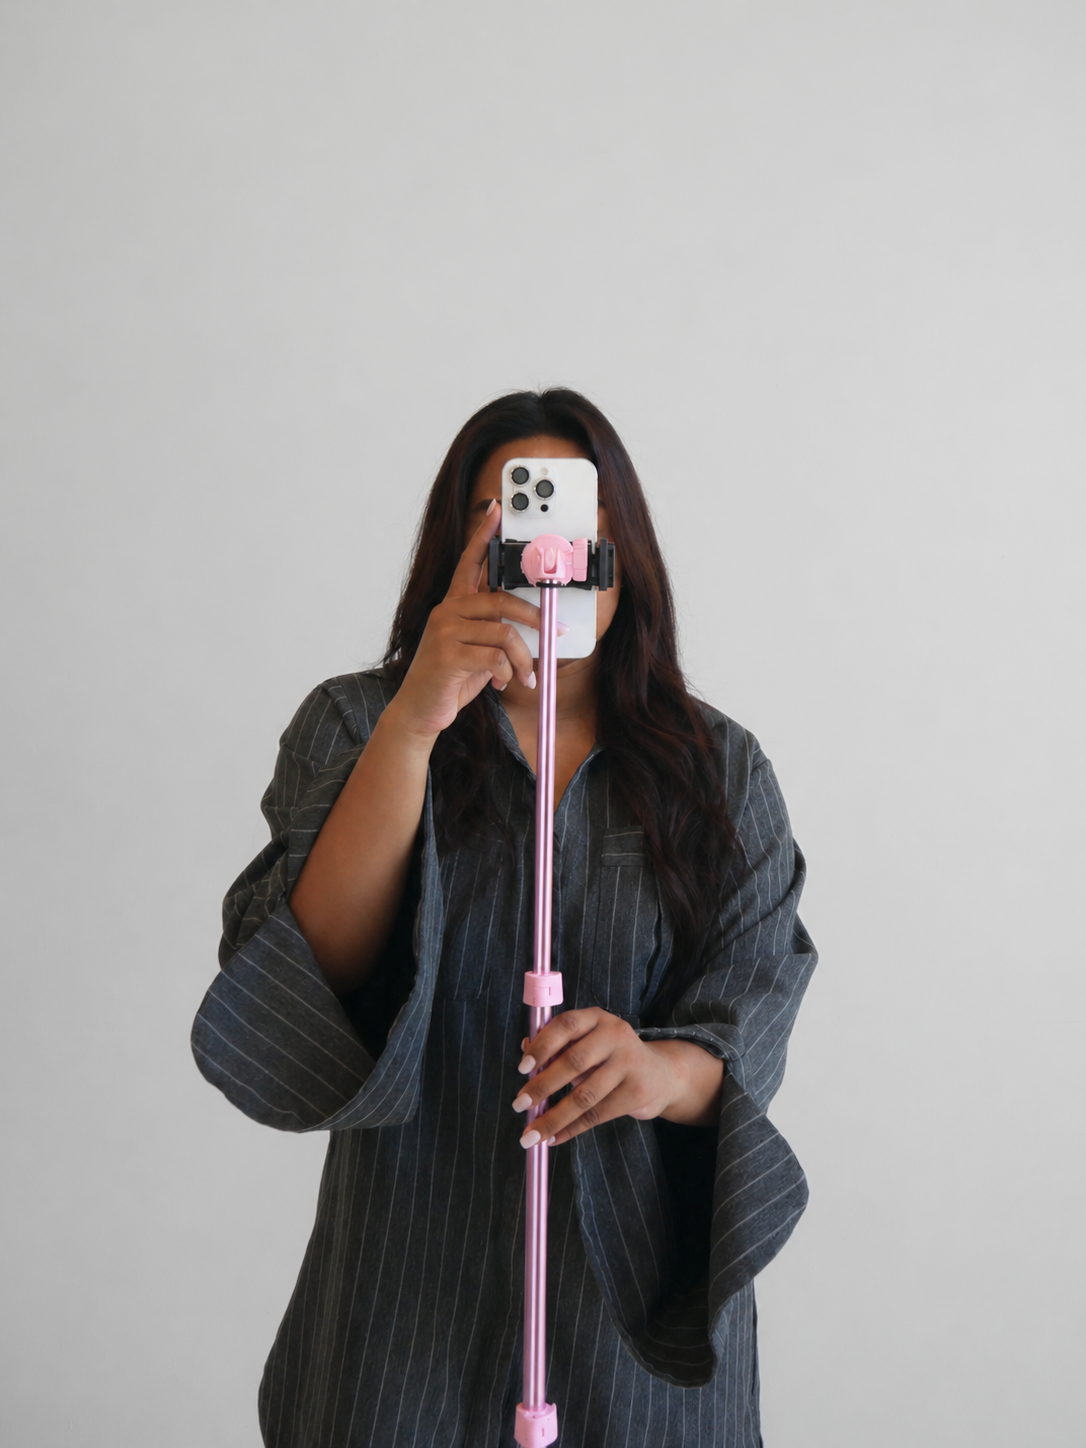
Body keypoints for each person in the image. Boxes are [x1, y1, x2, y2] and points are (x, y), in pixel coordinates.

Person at [192, 388, 817, 1448]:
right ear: (463, 548)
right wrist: (414, 725)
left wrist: (658, 1069)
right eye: (515, 521)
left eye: (581, 523)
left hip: (628, 1312)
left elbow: (755, 997)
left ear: (625, 550)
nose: (550, 554)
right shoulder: (355, 722)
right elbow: (313, 973)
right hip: (402, 1294)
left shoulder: (718, 769)